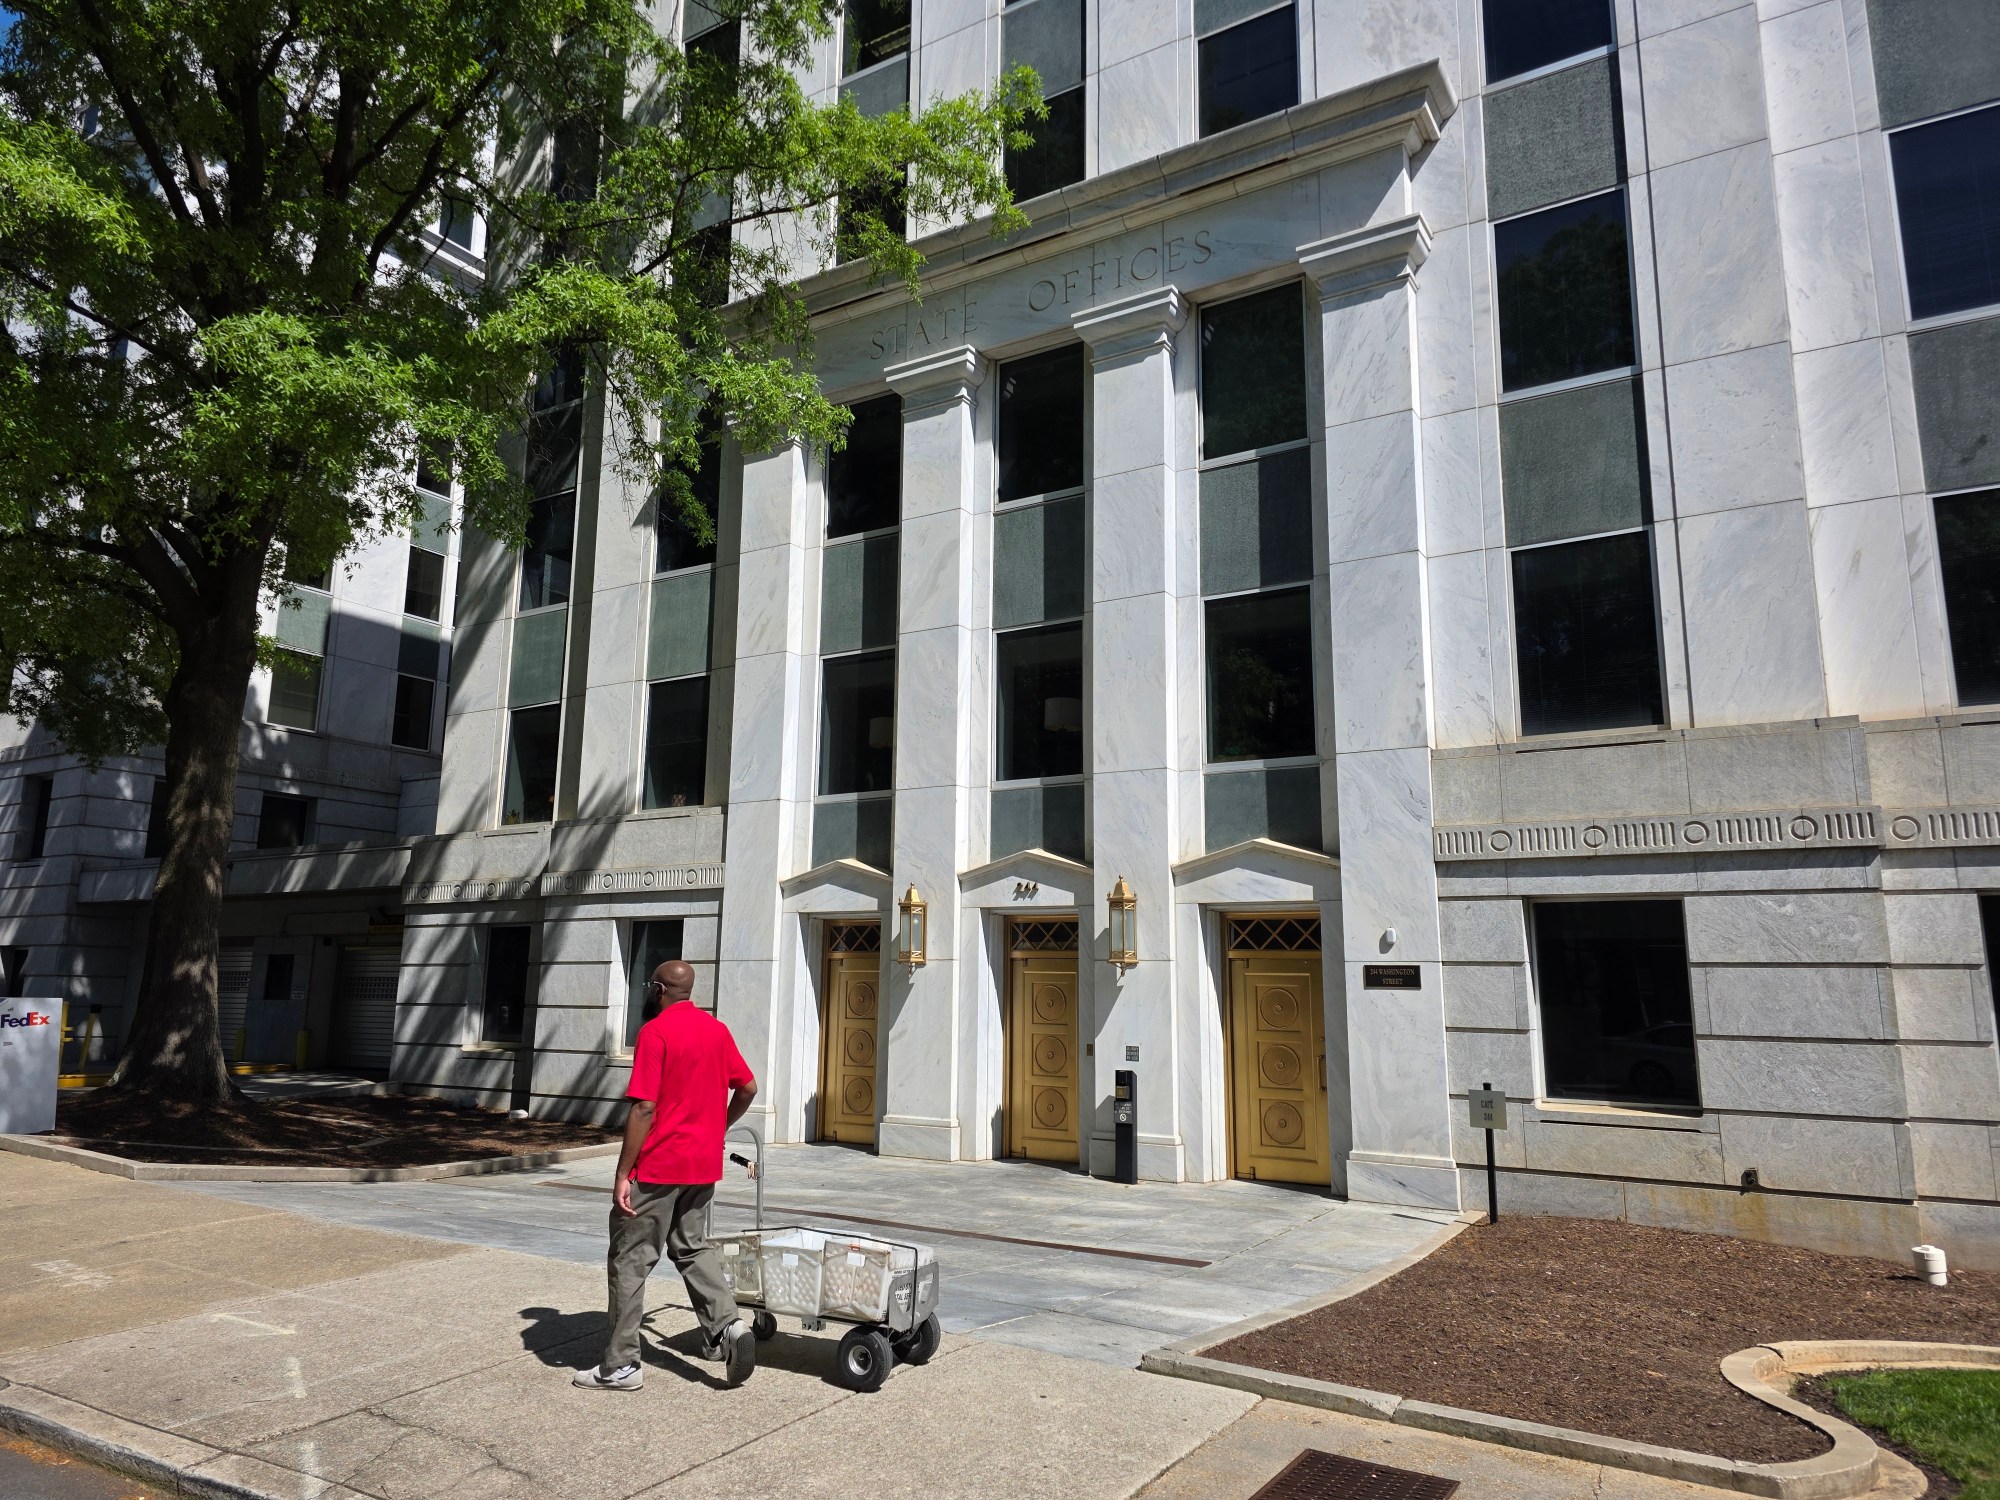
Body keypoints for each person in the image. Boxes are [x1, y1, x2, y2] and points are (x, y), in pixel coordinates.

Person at [573, 959, 759, 1390]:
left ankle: (621, 1366)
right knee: (692, 1248)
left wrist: (623, 1172)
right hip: (702, 1165)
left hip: (659, 1166)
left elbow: (643, 1107)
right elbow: (748, 1087)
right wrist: (720, 1128)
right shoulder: (717, 1031)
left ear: (658, 989)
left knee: (630, 1261)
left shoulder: (655, 1032)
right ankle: (729, 1327)